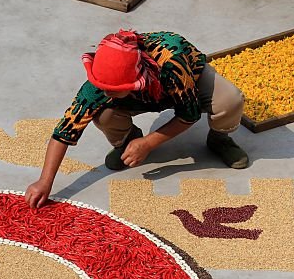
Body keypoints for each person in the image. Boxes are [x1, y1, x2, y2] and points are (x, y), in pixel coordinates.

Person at [26, 30, 248, 209]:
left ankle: (220, 138)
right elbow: (64, 131)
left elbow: (188, 115)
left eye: (113, 90)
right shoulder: (98, 86)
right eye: (103, 88)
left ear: (135, 81)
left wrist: (149, 143)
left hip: (190, 82)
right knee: (103, 115)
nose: (105, 92)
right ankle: (127, 141)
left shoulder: (173, 66)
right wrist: (45, 181)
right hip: (142, 94)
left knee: (230, 100)